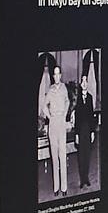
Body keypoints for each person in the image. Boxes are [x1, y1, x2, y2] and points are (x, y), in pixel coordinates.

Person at [38, 53, 72, 197]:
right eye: (55, 74)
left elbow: (68, 101)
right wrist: (49, 116)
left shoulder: (64, 88)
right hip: (53, 125)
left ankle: (64, 188)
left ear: (61, 75)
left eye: (59, 74)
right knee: (54, 157)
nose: (57, 76)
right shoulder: (50, 90)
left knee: (62, 156)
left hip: (61, 123)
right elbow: (43, 106)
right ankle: (56, 187)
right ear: (53, 76)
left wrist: (64, 114)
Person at [75, 49, 100, 192]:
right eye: (82, 81)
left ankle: (87, 179)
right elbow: (77, 118)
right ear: (80, 84)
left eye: (86, 81)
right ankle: (82, 179)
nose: (84, 83)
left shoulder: (90, 97)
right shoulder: (78, 99)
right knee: (80, 156)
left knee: (88, 155)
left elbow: (91, 116)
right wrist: (76, 134)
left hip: (88, 130)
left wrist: (92, 132)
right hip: (80, 131)